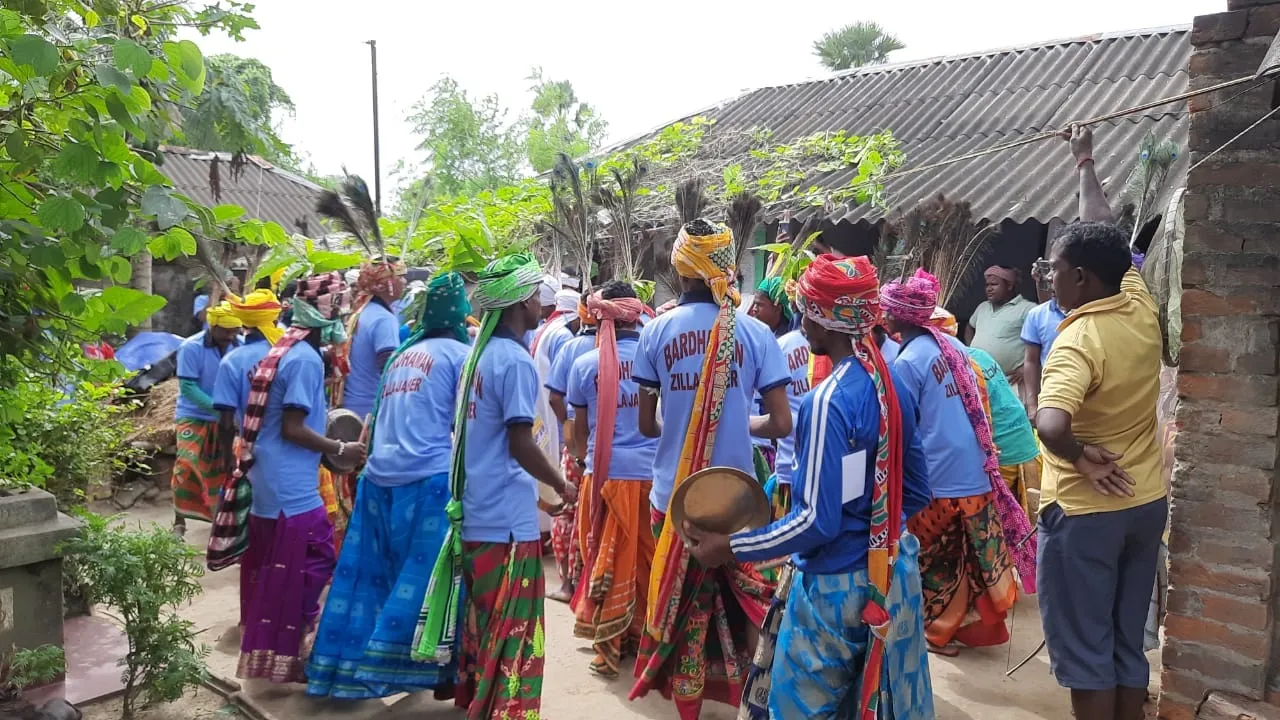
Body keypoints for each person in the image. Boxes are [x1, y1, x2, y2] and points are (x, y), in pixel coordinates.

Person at [684, 255, 933, 720]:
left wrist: (732, 545)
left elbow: (817, 521)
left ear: (822, 319)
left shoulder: (828, 401)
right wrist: (876, 536)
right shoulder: (891, 382)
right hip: (892, 574)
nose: (800, 319)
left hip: (834, 590)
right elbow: (917, 488)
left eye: (805, 309)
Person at [629, 219, 792, 720]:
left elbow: (647, 425)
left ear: (680, 268)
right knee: (751, 600)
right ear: (726, 267)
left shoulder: (656, 332)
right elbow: (781, 423)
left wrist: (688, 428)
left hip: (673, 497)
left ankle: (688, 704)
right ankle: (753, 699)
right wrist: (737, 422)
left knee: (688, 609)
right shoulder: (757, 333)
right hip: (738, 500)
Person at [1034, 125, 1166, 720]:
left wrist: (1077, 456)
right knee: (1123, 645)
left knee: (1087, 654)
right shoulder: (1136, 299)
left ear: (1082, 278)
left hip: (1086, 513)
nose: (1049, 277)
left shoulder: (1079, 339)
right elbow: (1104, 229)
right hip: (1145, 503)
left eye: (1055, 269)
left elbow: (1051, 423)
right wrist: (1083, 161)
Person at [414, 254, 576, 720]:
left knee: (487, 627)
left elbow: (489, 443)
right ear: (520, 303)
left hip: (478, 514)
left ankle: (484, 706)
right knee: (516, 633)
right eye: (536, 296)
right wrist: (561, 484)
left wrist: (542, 492)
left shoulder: (478, 357)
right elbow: (520, 442)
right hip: (507, 524)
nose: (541, 305)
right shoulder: (513, 360)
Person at [307, 272, 472, 699]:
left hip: (378, 480)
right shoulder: (460, 355)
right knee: (432, 583)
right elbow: (466, 426)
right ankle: (425, 672)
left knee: (370, 580)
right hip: (428, 481)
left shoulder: (403, 354)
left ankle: (344, 670)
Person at [881, 270, 1034, 657]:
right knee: (963, 558)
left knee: (934, 559)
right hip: (975, 471)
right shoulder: (952, 347)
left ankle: (936, 633)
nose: (882, 317)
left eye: (887, 311)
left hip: (940, 478)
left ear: (899, 317)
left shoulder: (907, 361)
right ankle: (962, 627)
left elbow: (903, 429)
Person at [237, 271, 368, 684]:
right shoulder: (306, 359)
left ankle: (282, 655)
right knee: (314, 561)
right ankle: (296, 652)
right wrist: (340, 449)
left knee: (276, 569)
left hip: (269, 478)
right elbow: (293, 427)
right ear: (328, 313)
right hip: (289, 485)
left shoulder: (285, 347)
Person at [565, 281, 658, 678]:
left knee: (606, 560)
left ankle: (609, 643)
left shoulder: (585, 365)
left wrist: (584, 459)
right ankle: (643, 639)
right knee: (646, 563)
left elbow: (578, 431)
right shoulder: (658, 361)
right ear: (636, 314)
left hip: (603, 476)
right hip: (652, 477)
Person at [543, 292, 599, 603]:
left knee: (567, 510)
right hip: (609, 444)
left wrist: (567, 427)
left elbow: (555, 397)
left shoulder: (571, 347)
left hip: (576, 441)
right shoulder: (620, 346)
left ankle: (567, 583)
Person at [171, 301, 242, 536]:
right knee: (185, 465)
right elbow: (188, 388)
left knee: (226, 468)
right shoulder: (191, 348)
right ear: (213, 326)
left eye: (234, 331)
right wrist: (220, 409)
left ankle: (222, 520)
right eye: (226, 331)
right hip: (194, 415)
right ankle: (179, 522)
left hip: (230, 417)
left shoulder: (240, 346)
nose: (230, 336)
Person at [750, 278, 810, 519]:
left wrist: (739, 423)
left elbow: (772, 414)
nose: (754, 310)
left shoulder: (781, 346)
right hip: (794, 468)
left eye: (759, 304)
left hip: (789, 472)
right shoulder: (843, 350)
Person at [212, 290, 286, 462]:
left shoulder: (232, 361)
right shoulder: (293, 353)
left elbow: (226, 421)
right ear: (275, 320)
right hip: (295, 451)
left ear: (243, 323)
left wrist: (227, 458)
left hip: (251, 452)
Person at [968, 345, 1040, 516]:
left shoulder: (957, 366)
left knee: (1003, 524)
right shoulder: (979, 355)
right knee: (1031, 520)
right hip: (1025, 443)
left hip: (1003, 457)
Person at [340, 257, 407, 419]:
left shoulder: (363, 310)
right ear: (386, 284)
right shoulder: (383, 319)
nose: (404, 282)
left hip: (353, 406)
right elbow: (389, 369)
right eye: (400, 276)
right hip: (370, 410)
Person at [966, 265, 1033, 390]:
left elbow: (1044, 339)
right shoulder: (983, 307)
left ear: (1009, 286)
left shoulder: (1028, 309)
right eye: (987, 285)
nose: (989, 289)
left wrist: (1027, 366)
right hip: (978, 379)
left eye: (994, 284)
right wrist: (970, 350)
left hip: (1010, 382)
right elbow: (970, 327)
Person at [1021, 271, 1069, 420]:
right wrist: (1032, 404)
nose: (1049, 278)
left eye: (1056, 270)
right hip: (1051, 397)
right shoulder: (1037, 314)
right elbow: (1031, 360)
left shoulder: (1090, 313)